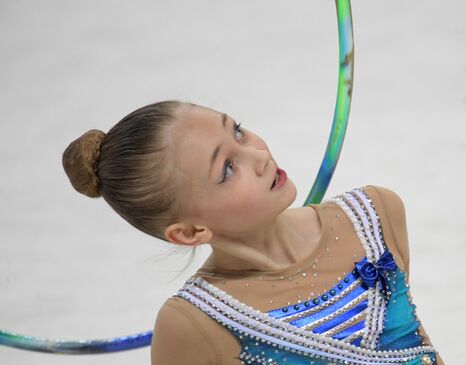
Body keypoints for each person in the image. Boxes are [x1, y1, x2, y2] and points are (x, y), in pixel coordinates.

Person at [62, 100, 444, 365]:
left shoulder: (374, 214)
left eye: (239, 132)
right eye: (227, 168)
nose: (260, 156)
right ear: (191, 231)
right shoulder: (193, 323)